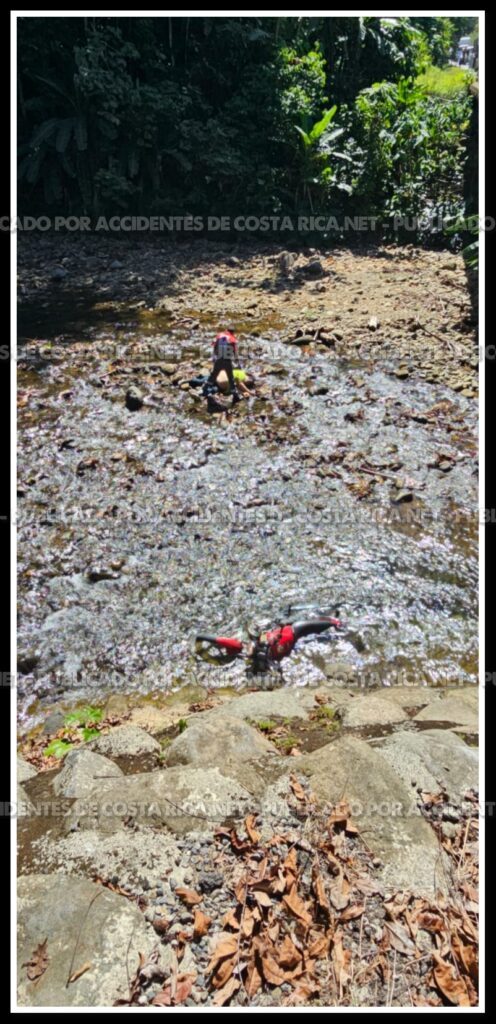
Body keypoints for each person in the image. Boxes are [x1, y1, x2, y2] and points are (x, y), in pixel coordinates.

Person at [209, 329, 241, 400]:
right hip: (227, 361)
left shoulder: (220, 335)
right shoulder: (232, 338)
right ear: (232, 332)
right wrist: (238, 362)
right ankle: (235, 395)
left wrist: (214, 357)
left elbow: (214, 345)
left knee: (214, 375)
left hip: (218, 359)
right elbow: (235, 352)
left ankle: (207, 390)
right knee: (230, 378)